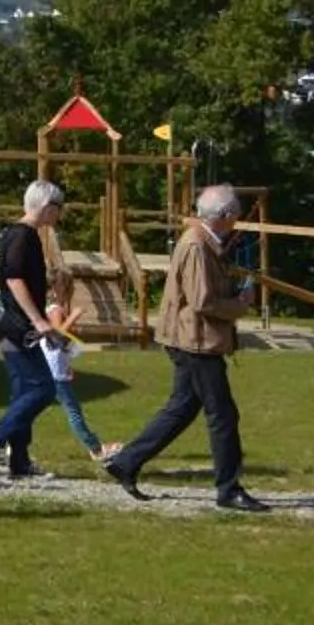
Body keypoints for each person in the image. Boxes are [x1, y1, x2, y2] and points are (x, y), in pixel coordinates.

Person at [104, 185, 264, 511]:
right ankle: (229, 489)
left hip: (193, 339)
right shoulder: (196, 245)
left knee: (182, 408)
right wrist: (240, 303)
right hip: (195, 343)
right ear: (224, 216)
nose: (236, 219)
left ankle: (126, 462)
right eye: (234, 214)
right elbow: (202, 300)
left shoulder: (206, 242)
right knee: (223, 415)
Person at [0, 178, 63, 478]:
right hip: (12, 328)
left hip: (9, 326)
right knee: (42, 388)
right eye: (58, 208)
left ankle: (20, 462)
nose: (59, 215)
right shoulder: (22, 236)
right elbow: (14, 279)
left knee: (24, 389)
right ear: (46, 206)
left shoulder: (23, 235)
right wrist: (39, 321)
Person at [38, 283, 123, 466]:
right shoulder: (54, 309)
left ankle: (8, 440)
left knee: (33, 407)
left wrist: (67, 365)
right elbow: (58, 335)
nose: (71, 294)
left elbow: (61, 344)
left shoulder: (52, 309)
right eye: (68, 290)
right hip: (54, 372)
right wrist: (75, 315)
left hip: (54, 369)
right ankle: (96, 449)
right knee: (73, 411)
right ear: (56, 290)